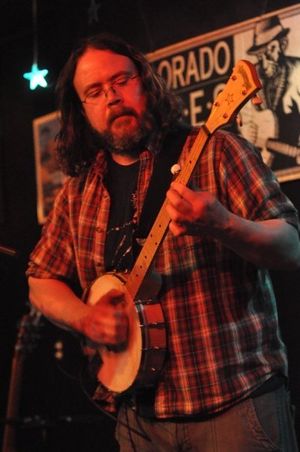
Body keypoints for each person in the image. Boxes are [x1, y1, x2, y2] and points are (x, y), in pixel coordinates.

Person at [26, 33, 300, 451]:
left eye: (121, 81)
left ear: (145, 81)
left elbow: (291, 248)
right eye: (95, 92)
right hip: (138, 420)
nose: (112, 98)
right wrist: (85, 318)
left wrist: (224, 225)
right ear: (82, 111)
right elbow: (39, 280)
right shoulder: (78, 192)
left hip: (234, 408)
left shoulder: (215, 151)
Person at [240, 15, 300, 171]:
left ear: (283, 44)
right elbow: (245, 120)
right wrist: (247, 132)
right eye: (260, 55)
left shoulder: (297, 70)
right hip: (266, 169)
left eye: (271, 50)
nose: (265, 61)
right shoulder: (250, 77)